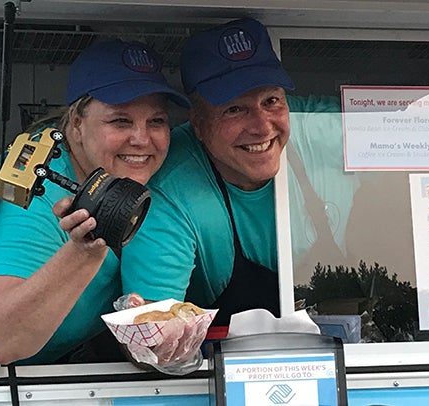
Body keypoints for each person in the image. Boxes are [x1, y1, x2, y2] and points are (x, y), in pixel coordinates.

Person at [120, 17, 363, 327]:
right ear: (198, 124)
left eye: (271, 100)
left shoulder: (312, 125)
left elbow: (412, 129)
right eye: (235, 109)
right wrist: (162, 340)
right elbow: (149, 331)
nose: (263, 127)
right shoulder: (169, 187)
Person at [0, 39, 190, 365]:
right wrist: (81, 252)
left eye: (157, 121)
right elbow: (5, 343)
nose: (141, 139)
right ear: (76, 123)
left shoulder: (138, 174)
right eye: (120, 121)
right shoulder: (37, 186)